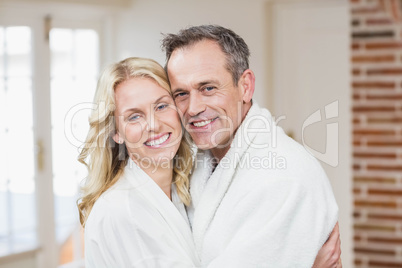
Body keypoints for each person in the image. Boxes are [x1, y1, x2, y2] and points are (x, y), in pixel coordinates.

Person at [162, 24, 342, 267]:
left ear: (245, 86)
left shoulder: (285, 175)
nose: (193, 108)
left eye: (208, 88)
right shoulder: (197, 165)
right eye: (181, 94)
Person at [77, 57, 200, 267]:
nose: (153, 124)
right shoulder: (123, 212)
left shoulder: (183, 186)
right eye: (134, 117)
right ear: (116, 133)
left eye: (161, 106)